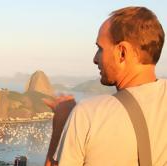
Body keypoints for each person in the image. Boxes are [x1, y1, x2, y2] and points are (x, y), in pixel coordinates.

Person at [45, 6, 166, 165]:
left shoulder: (89, 114)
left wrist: (61, 124)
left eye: (100, 49)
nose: (95, 59)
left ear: (122, 52)